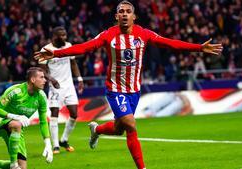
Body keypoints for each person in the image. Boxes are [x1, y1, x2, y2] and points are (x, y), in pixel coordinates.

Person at [34, 1, 223, 168]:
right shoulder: (108, 35)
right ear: (116, 16)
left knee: (119, 129)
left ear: (134, 16)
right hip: (115, 89)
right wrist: (56, 53)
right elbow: (85, 47)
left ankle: (97, 129)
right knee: (131, 125)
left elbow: (170, 43)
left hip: (134, 91)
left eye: (127, 11)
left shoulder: (144, 33)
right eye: (121, 11)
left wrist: (198, 48)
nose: (124, 14)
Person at [0, 67, 53, 169]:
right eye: (41, 77)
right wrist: (15, 116)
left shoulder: (41, 96)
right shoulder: (15, 91)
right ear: (32, 80)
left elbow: (43, 121)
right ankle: (13, 164)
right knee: (17, 124)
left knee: (22, 167)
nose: (45, 80)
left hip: (17, 129)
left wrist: (48, 144)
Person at [38, 26, 84, 154]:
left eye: (65, 35)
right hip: (55, 87)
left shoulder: (68, 45)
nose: (64, 37)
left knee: (74, 114)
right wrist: (51, 79)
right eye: (61, 35)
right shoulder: (45, 50)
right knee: (54, 115)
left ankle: (64, 140)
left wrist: (79, 79)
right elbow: (42, 70)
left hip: (69, 86)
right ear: (54, 37)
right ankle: (56, 145)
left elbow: (73, 64)